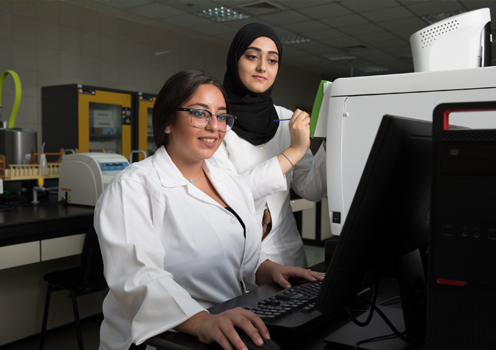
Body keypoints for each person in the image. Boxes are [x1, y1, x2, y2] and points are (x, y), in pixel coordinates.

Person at [94, 70, 324, 350]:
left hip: (227, 319)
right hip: (170, 337)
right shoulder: (133, 187)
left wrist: (273, 270)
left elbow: (244, 255)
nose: (215, 126)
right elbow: (138, 278)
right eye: (200, 114)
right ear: (167, 122)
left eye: (222, 116)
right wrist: (201, 321)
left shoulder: (226, 180)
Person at [210, 23, 328, 268]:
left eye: (272, 60)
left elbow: (311, 190)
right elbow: (231, 195)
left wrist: (329, 142)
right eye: (252, 56)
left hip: (287, 254)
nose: (262, 67)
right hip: (235, 257)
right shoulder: (215, 122)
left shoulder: (288, 120)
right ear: (235, 60)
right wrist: (293, 151)